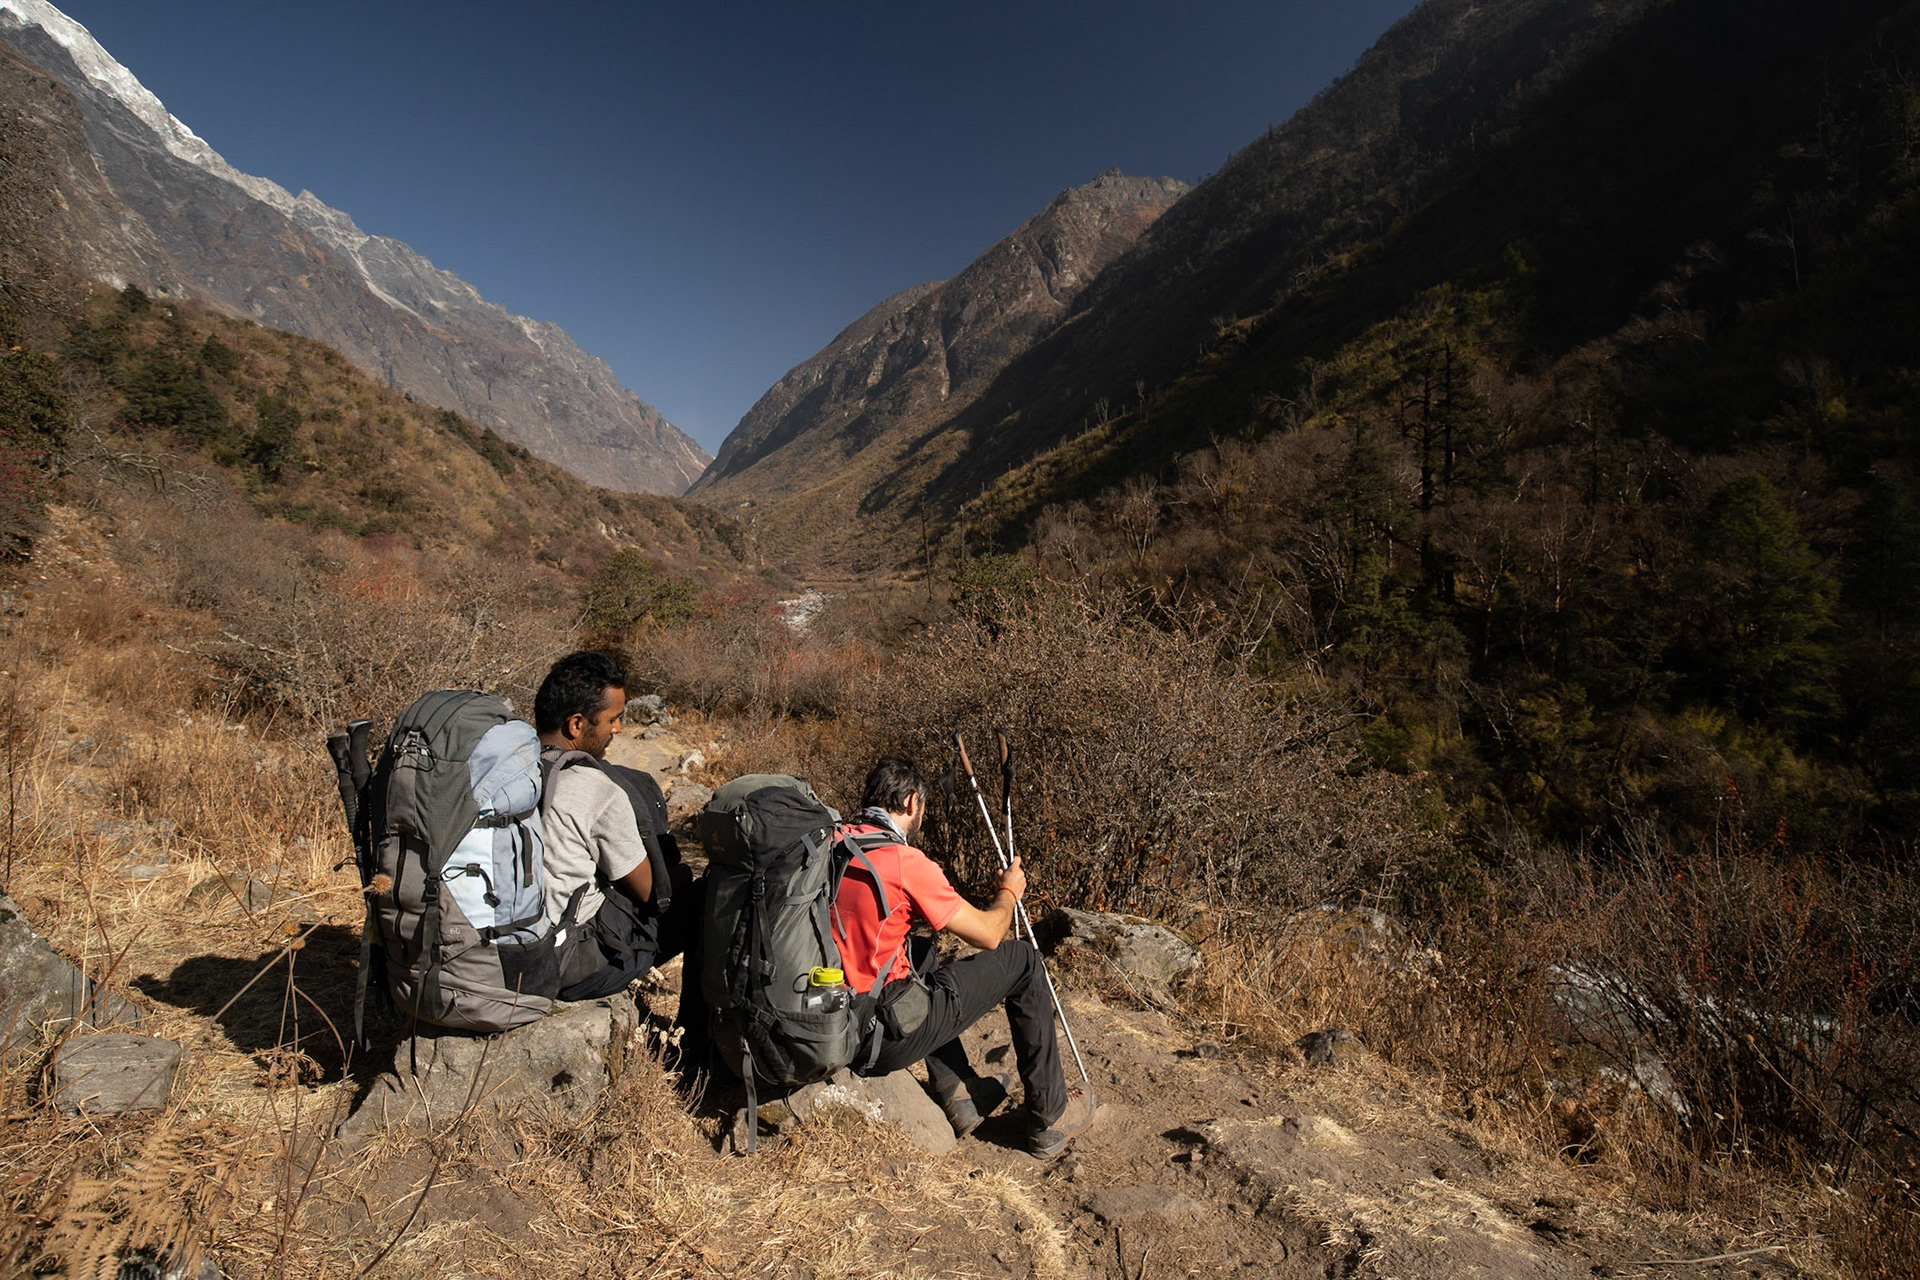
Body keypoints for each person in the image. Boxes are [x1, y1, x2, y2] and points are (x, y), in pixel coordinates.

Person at [833, 755, 1097, 1157]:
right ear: (910, 802)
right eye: (921, 808)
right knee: (1023, 960)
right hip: (879, 1038)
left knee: (919, 950)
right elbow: (990, 934)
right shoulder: (905, 863)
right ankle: (1049, 1117)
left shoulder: (834, 842)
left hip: (835, 1020)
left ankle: (960, 1094)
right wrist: (1008, 892)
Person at [535, 651, 705, 1037]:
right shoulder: (592, 786)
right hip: (568, 969)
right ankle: (695, 1045)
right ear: (576, 724)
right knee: (705, 900)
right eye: (612, 719)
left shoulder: (508, 770)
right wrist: (684, 875)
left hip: (507, 955)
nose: (616, 729)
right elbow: (650, 891)